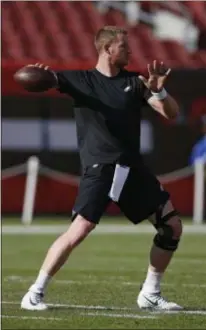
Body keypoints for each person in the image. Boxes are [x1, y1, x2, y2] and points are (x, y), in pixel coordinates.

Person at [21, 26, 182, 311]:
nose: (131, 52)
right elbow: (46, 78)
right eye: (124, 47)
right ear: (108, 49)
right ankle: (35, 292)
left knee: (171, 226)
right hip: (102, 167)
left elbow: (171, 114)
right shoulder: (81, 80)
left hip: (131, 168)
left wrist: (160, 90)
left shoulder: (136, 82)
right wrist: (38, 74)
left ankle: (150, 293)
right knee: (81, 228)